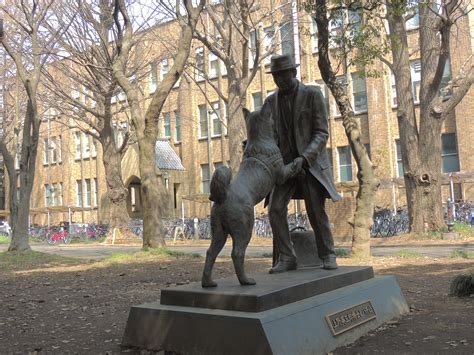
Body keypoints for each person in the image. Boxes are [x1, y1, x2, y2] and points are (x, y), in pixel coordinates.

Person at [262, 54, 342, 273]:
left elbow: (321, 133)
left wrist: (304, 158)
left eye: (283, 75)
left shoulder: (312, 95)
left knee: (316, 210)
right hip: (285, 167)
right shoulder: (270, 102)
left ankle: (328, 254)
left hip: (310, 165)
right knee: (276, 209)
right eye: (276, 76)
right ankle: (287, 257)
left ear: (293, 73)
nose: (279, 80)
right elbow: (269, 135)